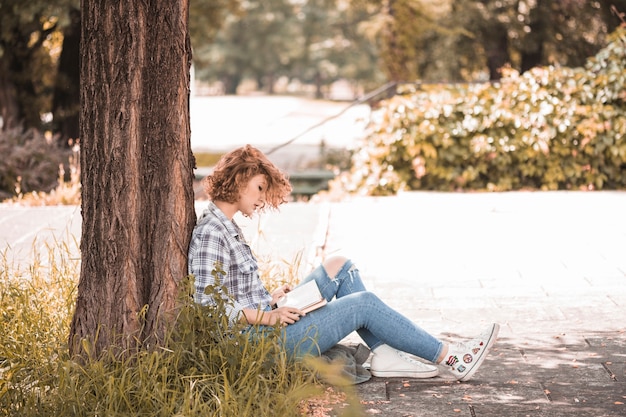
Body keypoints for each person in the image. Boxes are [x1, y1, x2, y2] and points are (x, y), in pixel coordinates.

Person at [188, 145, 499, 381]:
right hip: (259, 345)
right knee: (362, 304)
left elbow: (231, 294)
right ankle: (452, 358)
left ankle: (384, 354)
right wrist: (270, 317)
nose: (260, 199)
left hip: (267, 324)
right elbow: (208, 307)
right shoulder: (211, 232)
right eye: (259, 188)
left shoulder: (225, 226)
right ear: (239, 180)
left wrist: (271, 300)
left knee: (340, 265)